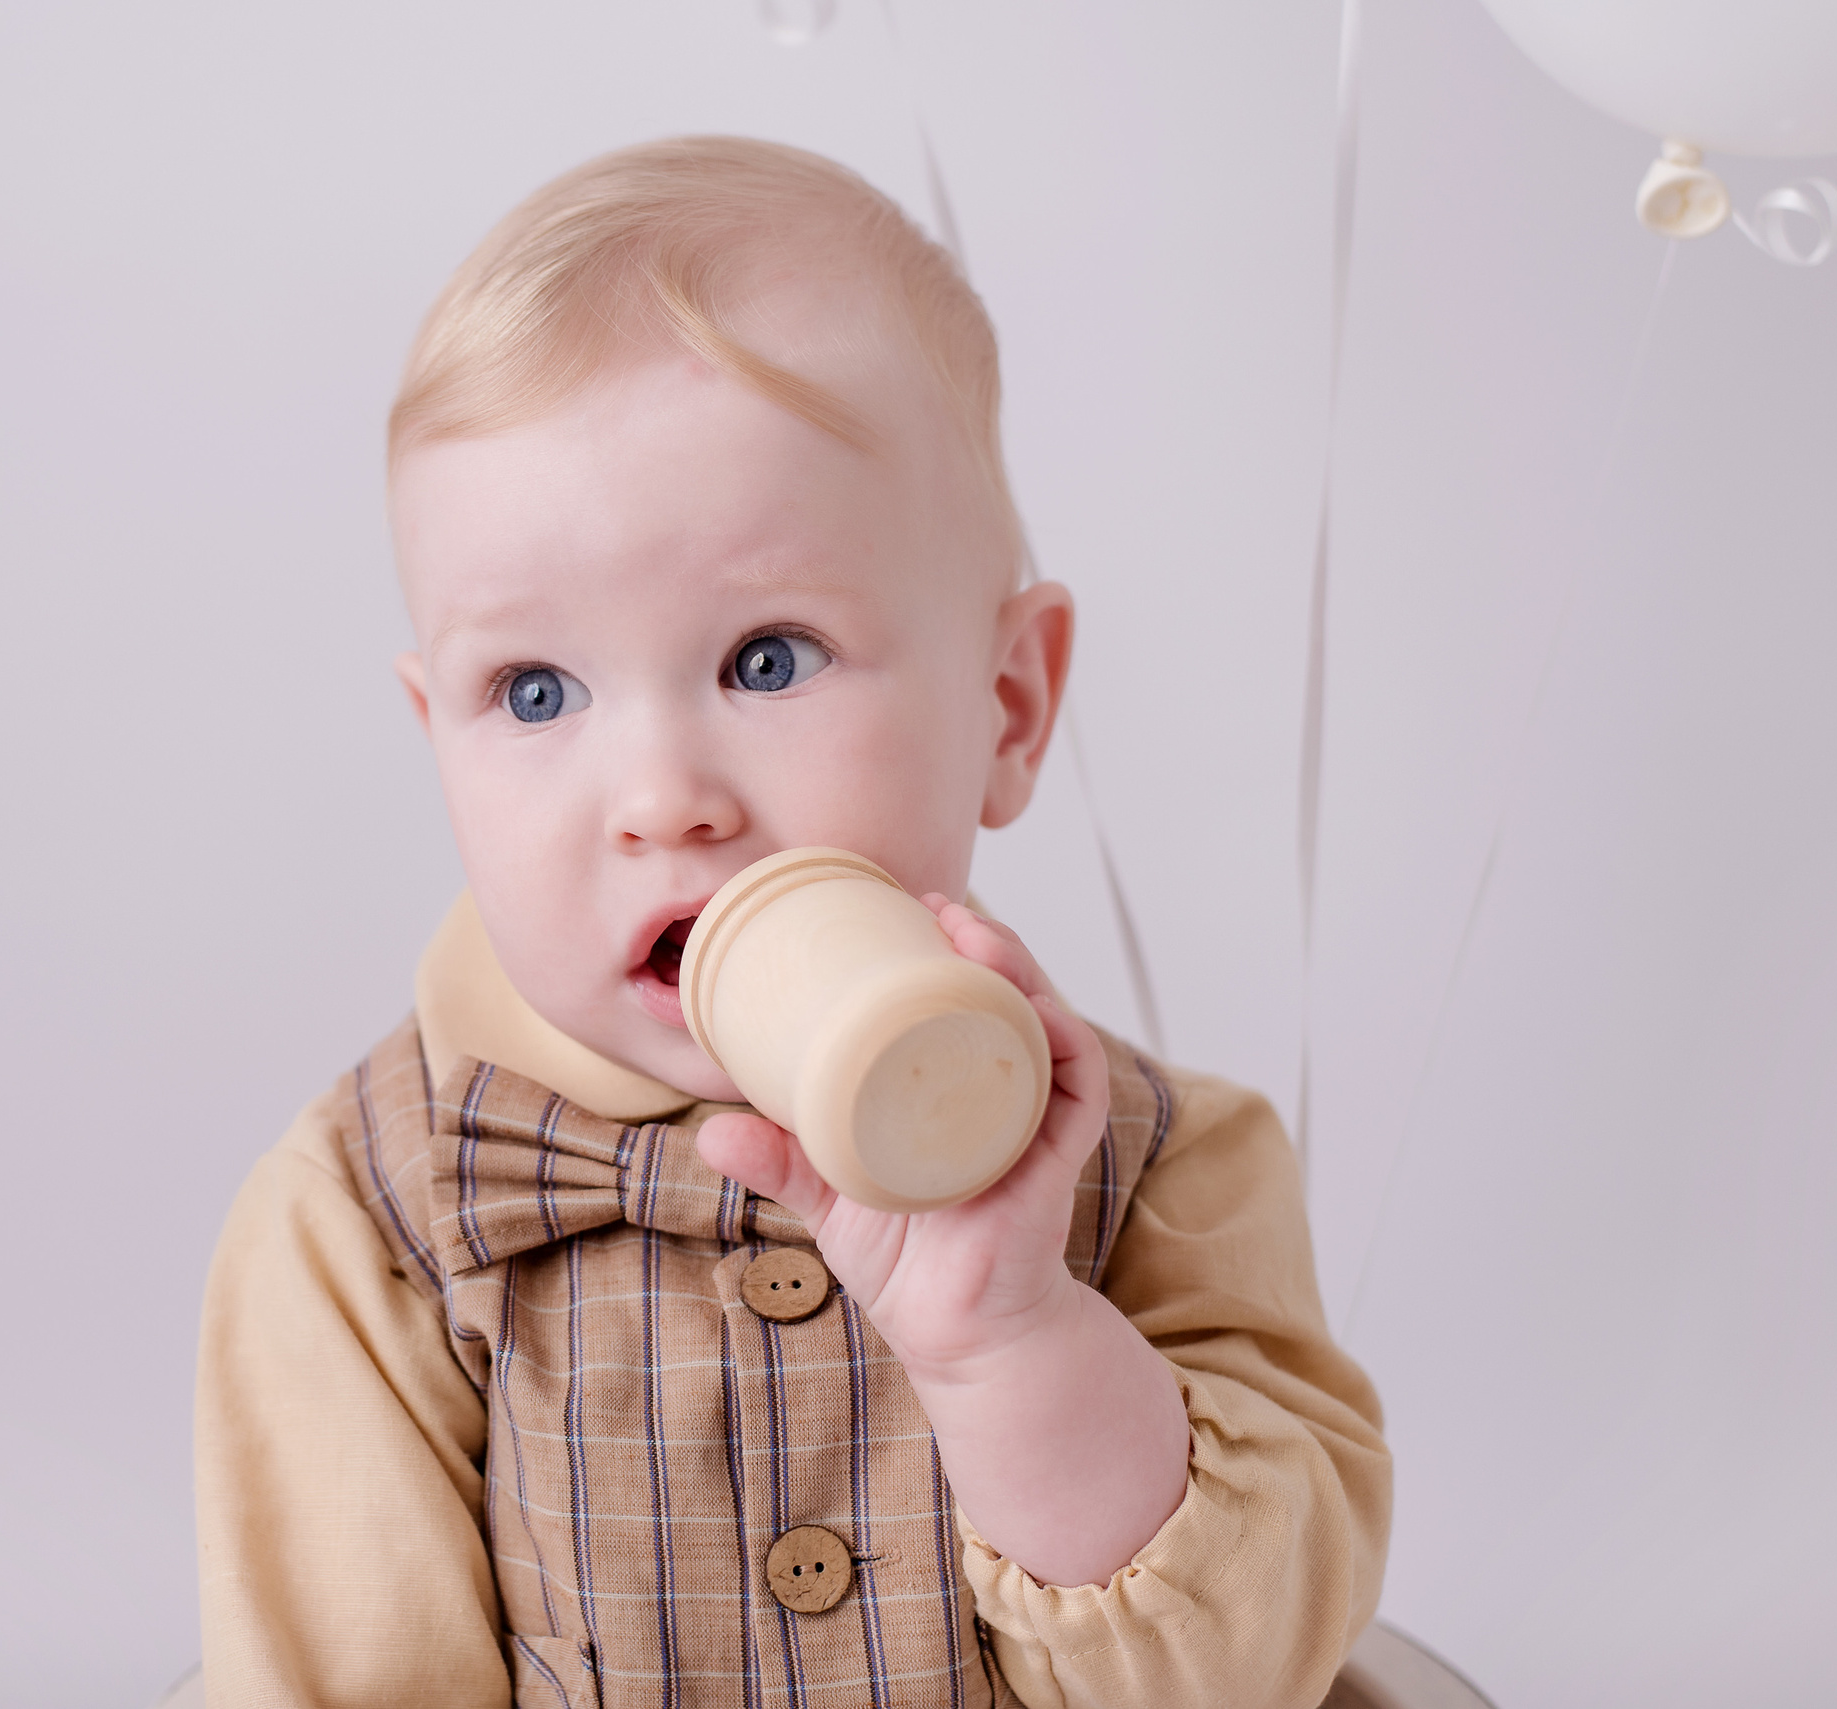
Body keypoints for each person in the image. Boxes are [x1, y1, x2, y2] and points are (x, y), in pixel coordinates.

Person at [194, 136, 1389, 1708]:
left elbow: (1252, 1668)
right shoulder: (362, 1222)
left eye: (767, 658)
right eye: (535, 691)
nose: (660, 798)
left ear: (1009, 705)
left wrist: (1010, 1340)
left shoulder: (1176, 1166)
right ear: (440, 743)